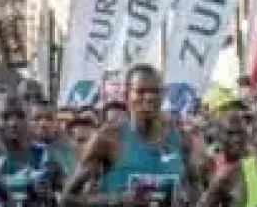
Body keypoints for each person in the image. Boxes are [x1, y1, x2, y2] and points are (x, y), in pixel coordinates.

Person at [65, 64, 205, 207]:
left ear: (163, 95)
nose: (149, 97)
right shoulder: (108, 137)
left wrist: (185, 198)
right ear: (127, 96)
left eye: (155, 91)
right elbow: (68, 198)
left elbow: (196, 186)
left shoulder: (180, 137)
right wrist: (119, 200)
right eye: (141, 91)